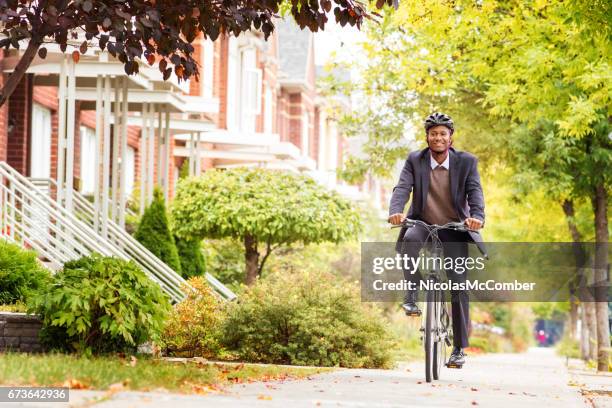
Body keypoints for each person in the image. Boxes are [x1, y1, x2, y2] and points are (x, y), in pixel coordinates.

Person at [387, 112, 486, 368]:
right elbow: (402, 188)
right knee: (409, 240)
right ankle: (412, 292)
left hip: (454, 228)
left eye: (443, 133)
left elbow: (475, 192)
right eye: (433, 134)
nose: (438, 138)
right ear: (427, 137)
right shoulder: (415, 160)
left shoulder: (466, 162)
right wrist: (395, 212)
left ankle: (458, 349)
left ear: (451, 138)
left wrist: (477, 217)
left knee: (458, 287)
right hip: (423, 222)